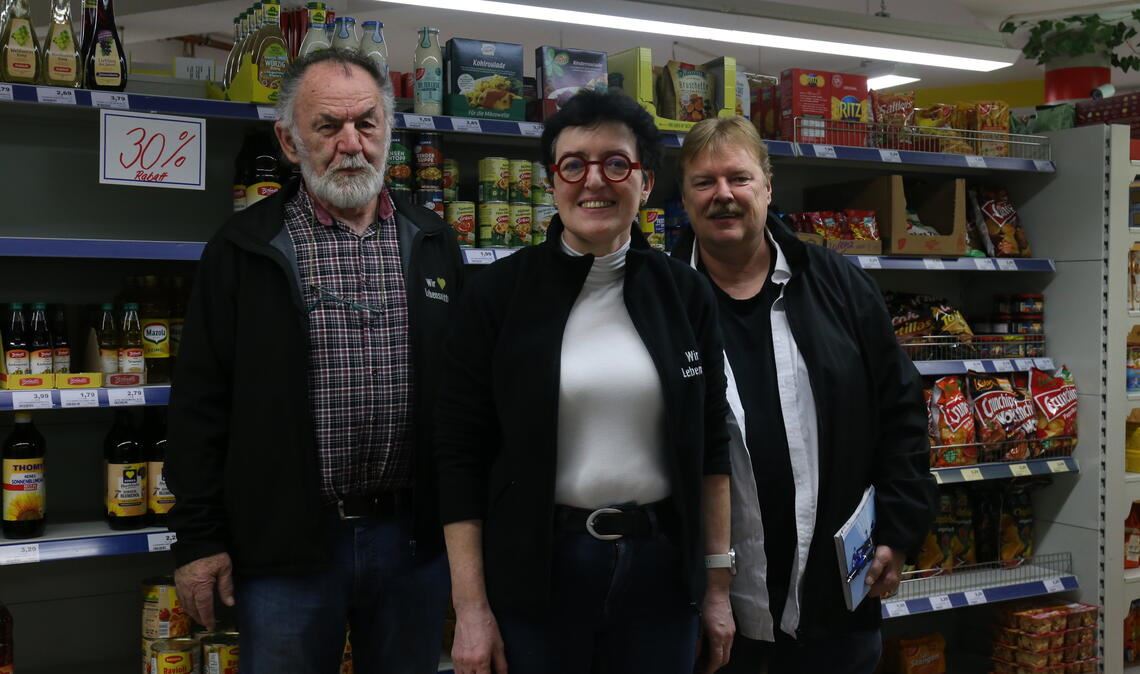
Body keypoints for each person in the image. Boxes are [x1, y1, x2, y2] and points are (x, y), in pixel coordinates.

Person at [165, 49, 464, 674]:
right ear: (290, 140)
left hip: (413, 542)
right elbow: (199, 404)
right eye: (328, 127)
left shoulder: (433, 240)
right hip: (286, 549)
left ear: (390, 130)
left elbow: (466, 397)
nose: (351, 144)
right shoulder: (244, 247)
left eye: (367, 123)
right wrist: (198, 538)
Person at [434, 90, 735, 674]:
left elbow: (711, 448)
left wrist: (717, 587)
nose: (593, 180)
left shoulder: (685, 294)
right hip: (540, 572)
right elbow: (458, 457)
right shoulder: (497, 296)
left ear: (645, 183)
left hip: (661, 574)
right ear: (553, 182)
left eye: (616, 163)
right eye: (573, 164)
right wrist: (470, 608)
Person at [673, 116, 936, 673]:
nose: (723, 194)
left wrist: (900, 527)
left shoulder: (837, 283)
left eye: (739, 178)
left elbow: (902, 409)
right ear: (684, 195)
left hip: (836, 603)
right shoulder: (661, 299)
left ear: (768, 187)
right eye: (704, 181)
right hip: (710, 614)